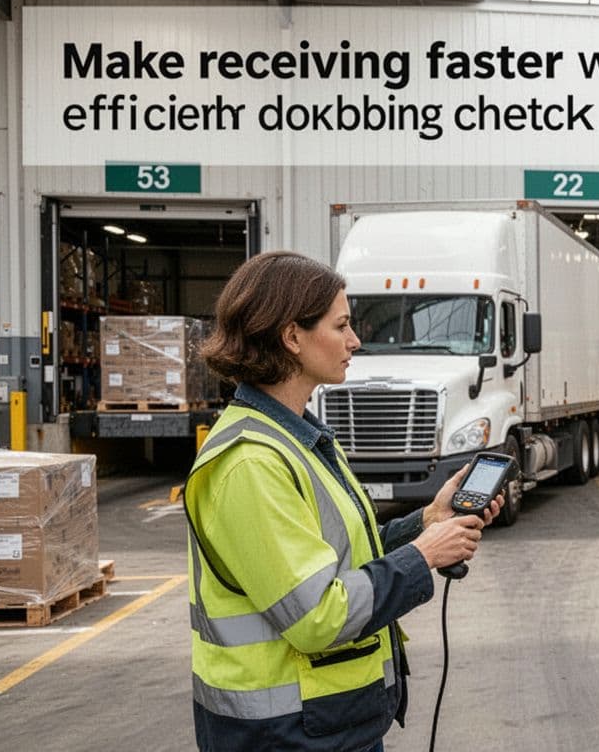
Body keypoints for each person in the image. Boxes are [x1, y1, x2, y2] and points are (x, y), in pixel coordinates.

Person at [184, 251, 502, 752]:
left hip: (326, 723)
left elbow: (339, 560)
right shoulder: (252, 463)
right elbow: (317, 617)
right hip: (285, 735)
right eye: (342, 325)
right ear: (292, 337)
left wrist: (427, 522)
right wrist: (424, 556)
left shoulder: (295, 437)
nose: (355, 340)